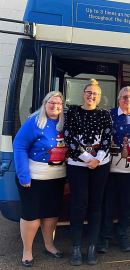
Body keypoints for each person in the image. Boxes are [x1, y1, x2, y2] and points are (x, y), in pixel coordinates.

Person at [13, 91, 67, 267]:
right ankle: (27, 251)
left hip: (56, 178)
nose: (55, 107)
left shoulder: (64, 123)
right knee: (31, 216)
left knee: (51, 214)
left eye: (59, 104)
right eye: (52, 103)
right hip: (34, 178)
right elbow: (19, 146)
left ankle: (49, 246)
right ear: (45, 104)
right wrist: (23, 175)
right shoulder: (34, 121)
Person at [64, 79, 113, 266]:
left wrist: (97, 159)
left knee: (95, 205)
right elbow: (69, 137)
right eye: (88, 92)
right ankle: (76, 248)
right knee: (79, 204)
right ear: (83, 93)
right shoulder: (73, 112)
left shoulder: (104, 114)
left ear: (99, 96)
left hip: (100, 164)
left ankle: (92, 247)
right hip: (78, 165)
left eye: (95, 94)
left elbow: (108, 138)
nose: (91, 96)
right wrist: (87, 159)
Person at [97, 86, 130, 253]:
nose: (128, 100)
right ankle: (104, 239)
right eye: (125, 97)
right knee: (108, 206)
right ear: (119, 99)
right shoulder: (108, 115)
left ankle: (123, 237)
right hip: (110, 172)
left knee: (128, 207)